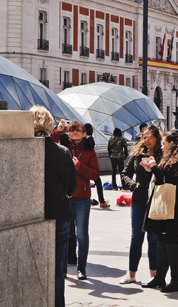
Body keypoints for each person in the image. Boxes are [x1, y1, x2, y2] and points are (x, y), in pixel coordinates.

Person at [33, 106, 76, 307]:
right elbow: (72, 187)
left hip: (33, 216)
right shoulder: (63, 152)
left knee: (32, 267)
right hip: (59, 213)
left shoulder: (24, 151)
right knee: (58, 268)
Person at [141, 131, 178, 293]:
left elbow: (170, 181)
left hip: (173, 204)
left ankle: (176, 281)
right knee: (161, 240)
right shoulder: (168, 158)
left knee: (171, 241)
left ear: (172, 144)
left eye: (164, 143)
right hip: (165, 203)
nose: (162, 146)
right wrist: (152, 169)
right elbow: (161, 179)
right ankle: (160, 277)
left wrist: (155, 167)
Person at [119, 125, 162, 284]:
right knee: (136, 237)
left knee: (153, 238)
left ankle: (154, 275)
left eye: (150, 137)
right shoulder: (137, 154)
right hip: (138, 200)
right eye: (145, 137)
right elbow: (125, 173)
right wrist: (133, 185)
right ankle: (131, 274)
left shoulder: (161, 154)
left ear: (157, 138)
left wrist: (154, 167)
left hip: (155, 201)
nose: (147, 140)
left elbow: (166, 174)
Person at [66, 121, 99, 280]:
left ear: (84, 133)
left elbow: (95, 175)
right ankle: (63, 265)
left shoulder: (90, 150)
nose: (74, 132)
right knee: (64, 232)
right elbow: (49, 143)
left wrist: (79, 166)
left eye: (78, 130)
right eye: (71, 130)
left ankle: (81, 267)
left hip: (82, 198)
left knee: (82, 234)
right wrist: (58, 132)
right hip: (65, 197)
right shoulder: (64, 147)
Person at [83, 124, 108, 208]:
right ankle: (101, 201)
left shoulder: (80, 140)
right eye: (91, 129)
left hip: (81, 166)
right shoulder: (89, 139)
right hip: (89, 167)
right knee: (98, 182)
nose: (93, 131)